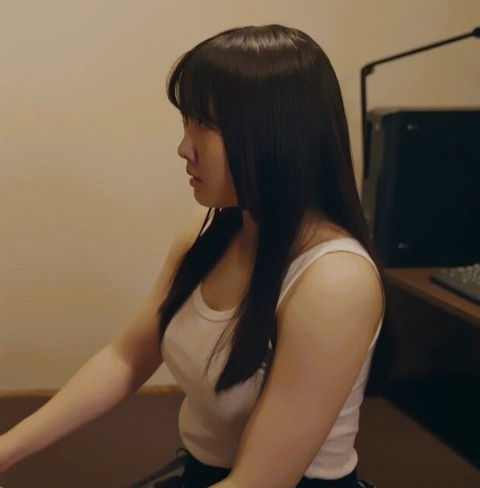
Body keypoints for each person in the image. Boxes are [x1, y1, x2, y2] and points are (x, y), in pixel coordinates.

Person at [0, 25, 385, 488]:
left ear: (273, 134)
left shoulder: (335, 281)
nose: (184, 147)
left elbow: (260, 480)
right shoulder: (207, 233)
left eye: (204, 123)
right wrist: (7, 449)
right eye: (187, 120)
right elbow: (126, 358)